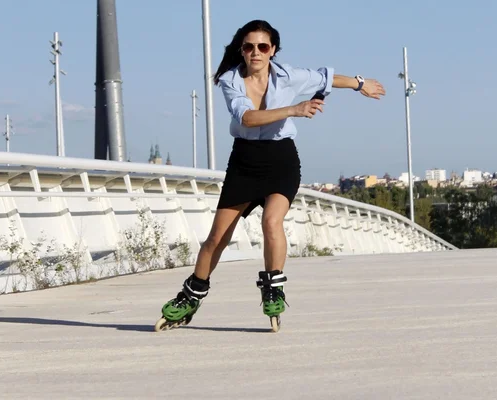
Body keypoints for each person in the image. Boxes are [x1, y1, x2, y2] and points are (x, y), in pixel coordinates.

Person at [156, 19, 385, 331]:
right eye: (249, 47)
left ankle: (273, 287)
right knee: (217, 238)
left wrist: (360, 84)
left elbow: (325, 76)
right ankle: (191, 295)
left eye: (263, 47)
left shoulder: (288, 75)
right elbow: (247, 118)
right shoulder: (230, 80)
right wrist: (294, 109)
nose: (255, 53)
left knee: (271, 222)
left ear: (272, 50)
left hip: (281, 159)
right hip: (245, 161)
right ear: (242, 49)